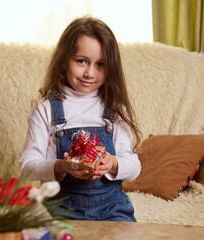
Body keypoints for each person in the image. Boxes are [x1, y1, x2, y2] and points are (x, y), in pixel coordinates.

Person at [19, 16, 142, 222]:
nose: (89, 73)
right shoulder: (46, 108)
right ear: (63, 60)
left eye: (100, 64)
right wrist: (62, 166)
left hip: (112, 208)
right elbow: (27, 166)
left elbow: (134, 167)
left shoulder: (115, 108)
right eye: (81, 61)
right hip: (60, 207)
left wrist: (112, 164)